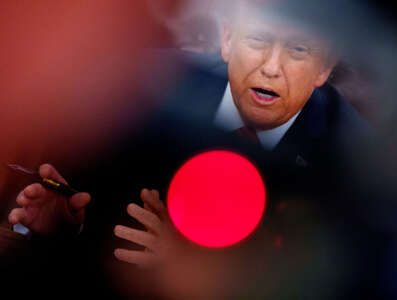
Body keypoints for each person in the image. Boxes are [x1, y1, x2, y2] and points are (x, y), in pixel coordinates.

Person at [7, 2, 375, 299]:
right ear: (228, 41)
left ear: (323, 68)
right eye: (259, 40)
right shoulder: (139, 88)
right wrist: (71, 228)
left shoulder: (359, 163)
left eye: (297, 49)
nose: (271, 68)